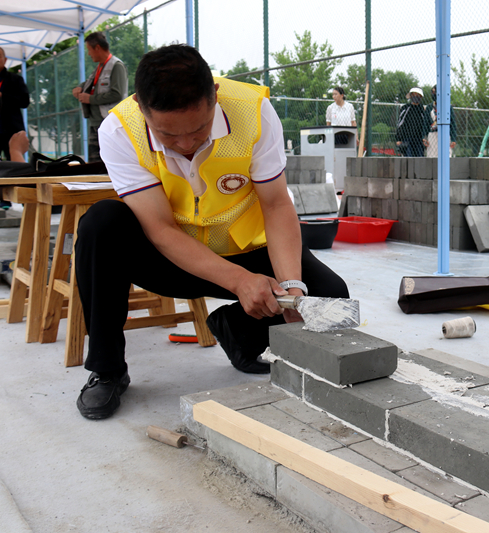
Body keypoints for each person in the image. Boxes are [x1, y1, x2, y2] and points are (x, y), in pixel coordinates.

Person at [74, 44, 349, 420]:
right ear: (140, 107)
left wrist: (292, 289)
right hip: (171, 259)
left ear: (215, 95)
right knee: (101, 223)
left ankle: (238, 330)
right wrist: (239, 282)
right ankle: (107, 370)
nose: (186, 144)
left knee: (329, 297)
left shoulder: (253, 112)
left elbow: (276, 205)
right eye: (168, 135)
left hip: (245, 250)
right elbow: (160, 228)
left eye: (199, 129)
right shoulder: (120, 130)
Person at [72, 32, 128, 162]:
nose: (88, 54)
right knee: (95, 163)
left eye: (89, 50)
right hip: (96, 123)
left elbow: (117, 94)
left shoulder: (116, 66)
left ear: (97, 48)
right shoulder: (100, 67)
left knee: (108, 162)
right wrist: (80, 87)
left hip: (109, 124)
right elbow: (91, 83)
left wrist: (90, 99)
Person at [0, 46, 30, 207]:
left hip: (11, 128)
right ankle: (3, 200)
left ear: (5, 60)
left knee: (16, 163)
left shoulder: (15, 79)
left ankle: (26, 199)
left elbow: (24, 101)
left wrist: (3, 96)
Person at [395, 87, 430, 157]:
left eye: (418, 95)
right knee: (408, 158)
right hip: (407, 138)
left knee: (420, 158)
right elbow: (400, 123)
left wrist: (425, 137)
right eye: (414, 95)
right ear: (411, 96)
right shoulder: (406, 108)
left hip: (419, 139)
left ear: (421, 97)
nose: (416, 97)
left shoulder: (422, 109)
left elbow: (425, 124)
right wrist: (399, 138)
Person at [425, 85, 457, 158]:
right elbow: (425, 123)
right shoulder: (429, 107)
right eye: (432, 92)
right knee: (432, 156)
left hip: (445, 133)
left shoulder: (448, 107)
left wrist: (453, 139)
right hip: (432, 134)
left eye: (435, 92)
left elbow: (453, 124)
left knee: (446, 156)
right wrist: (424, 137)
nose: (433, 94)